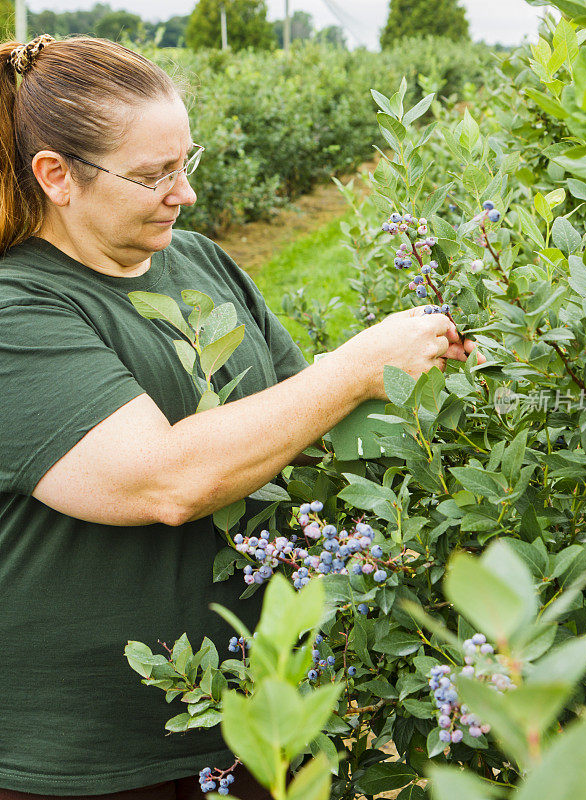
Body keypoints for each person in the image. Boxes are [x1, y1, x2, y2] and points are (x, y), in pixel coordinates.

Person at [0, 34, 485, 799]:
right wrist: (354, 367)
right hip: (88, 759)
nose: (183, 193)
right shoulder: (17, 308)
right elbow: (160, 482)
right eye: (153, 174)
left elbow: (301, 422)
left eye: (184, 163)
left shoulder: (199, 262)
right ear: (57, 175)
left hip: (253, 719)